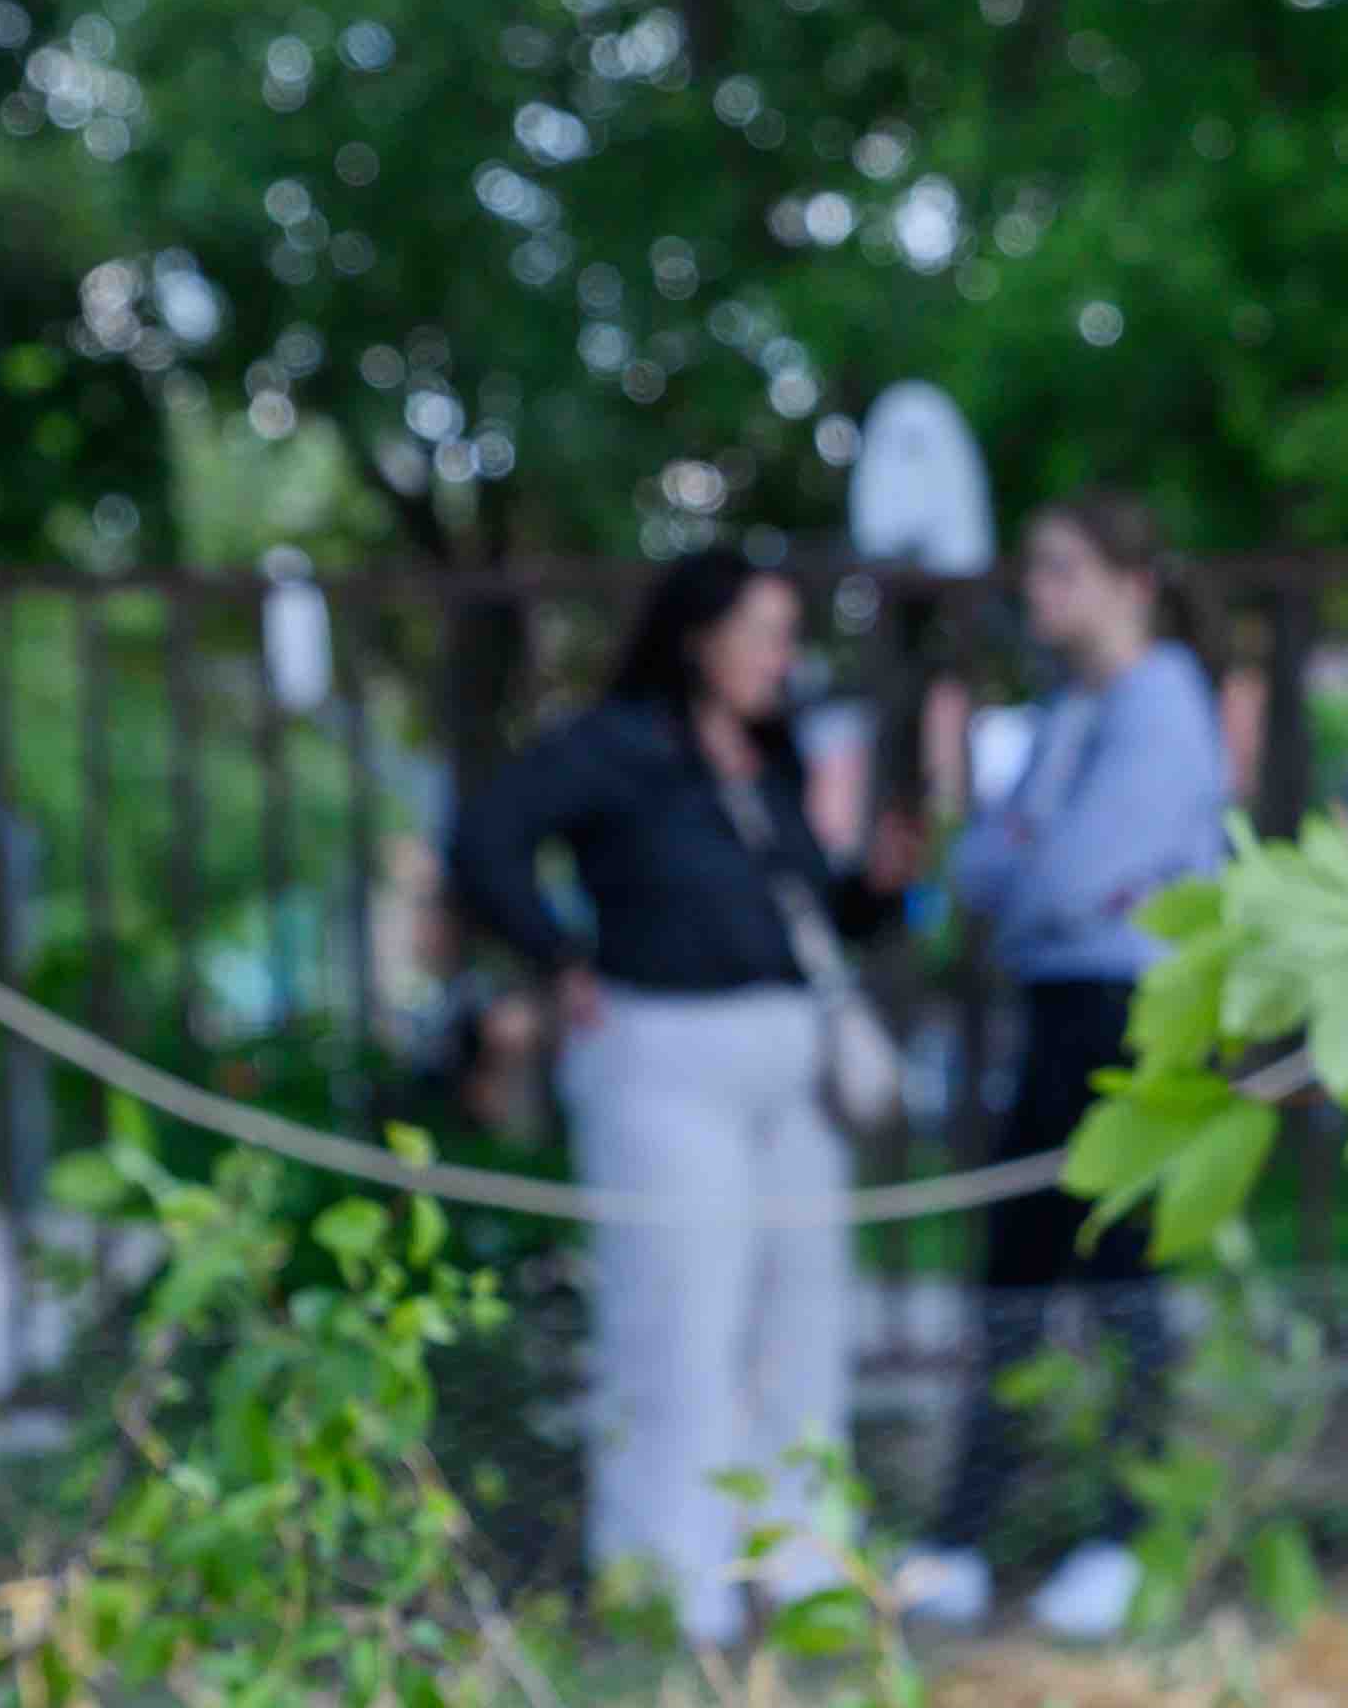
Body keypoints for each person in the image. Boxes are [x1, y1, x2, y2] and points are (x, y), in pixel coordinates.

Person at [453, 556, 899, 1646]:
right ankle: (665, 1581)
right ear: (698, 635)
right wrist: (558, 956)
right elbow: (485, 843)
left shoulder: (772, 759)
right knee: (676, 1328)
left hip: (788, 1065)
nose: (779, 657)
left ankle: (800, 1568)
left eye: (789, 635)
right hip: (664, 1057)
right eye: (762, 631)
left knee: (801, 1325)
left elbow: (812, 917)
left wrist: (878, 885)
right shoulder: (612, 746)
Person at [886, 495, 1229, 1642]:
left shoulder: (1162, 704)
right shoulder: (1066, 715)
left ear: (1133, 582)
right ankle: (967, 1535)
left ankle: (1128, 1535)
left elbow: (1056, 874)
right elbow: (985, 868)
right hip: (1058, 1006)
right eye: (1035, 572)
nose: (1041, 595)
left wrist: (1038, 858)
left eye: (1065, 571)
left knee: (1121, 1273)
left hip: (1127, 1013)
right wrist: (1033, 858)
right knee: (1018, 1277)